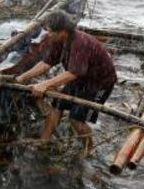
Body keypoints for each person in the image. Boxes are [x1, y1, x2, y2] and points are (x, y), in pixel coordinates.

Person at [15, 10, 117, 158]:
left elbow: (74, 72)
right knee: (57, 105)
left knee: (76, 119)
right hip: (80, 78)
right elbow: (46, 63)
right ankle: (44, 141)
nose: (47, 34)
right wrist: (23, 77)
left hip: (98, 83)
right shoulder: (59, 41)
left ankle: (89, 150)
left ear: (62, 31)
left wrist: (44, 84)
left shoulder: (80, 42)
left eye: (50, 31)